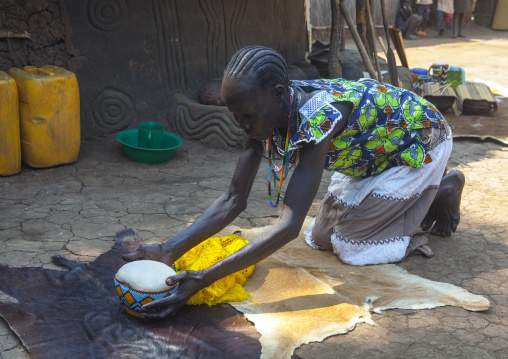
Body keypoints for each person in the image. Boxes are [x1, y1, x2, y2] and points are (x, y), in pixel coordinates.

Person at [123, 46, 465, 319]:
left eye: (248, 117)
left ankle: (441, 189)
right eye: (236, 117)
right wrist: (169, 249)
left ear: (277, 93)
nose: (243, 127)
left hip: (419, 142)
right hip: (370, 157)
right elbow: (233, 199)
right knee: (320, 237)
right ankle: (404, 200)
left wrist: (206, 277)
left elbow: (287, 227)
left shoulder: (320, 119)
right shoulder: (264, 113)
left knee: (353, 250)